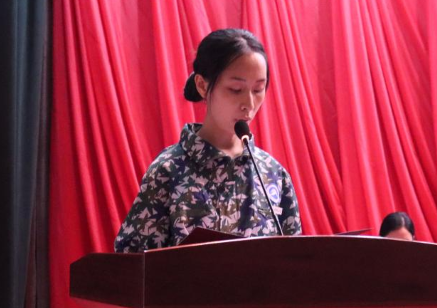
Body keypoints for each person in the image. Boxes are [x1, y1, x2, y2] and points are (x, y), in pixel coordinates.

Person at [114, 29, 301, 252]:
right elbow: (133, 259)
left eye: (258, 89)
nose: (249, 104)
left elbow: (296, 258)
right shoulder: (168, 170)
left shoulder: (273, 174)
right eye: (236, 89)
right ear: (202, 85)